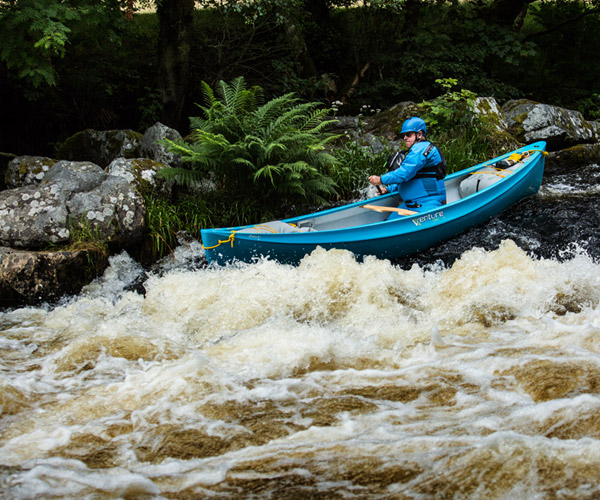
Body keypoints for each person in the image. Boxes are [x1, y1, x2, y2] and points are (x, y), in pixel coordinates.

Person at [369, 117, 446, 217]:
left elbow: (405, 173)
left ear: (420, 134)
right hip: (411, 204)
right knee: (390, 225)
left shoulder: (421, 149)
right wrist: (389, 189)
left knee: (393, 228)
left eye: (408, 134)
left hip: (428, 204)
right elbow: (412, 177)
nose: (405, 138)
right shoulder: (415, 151)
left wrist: (381, 179)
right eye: (404, 135)